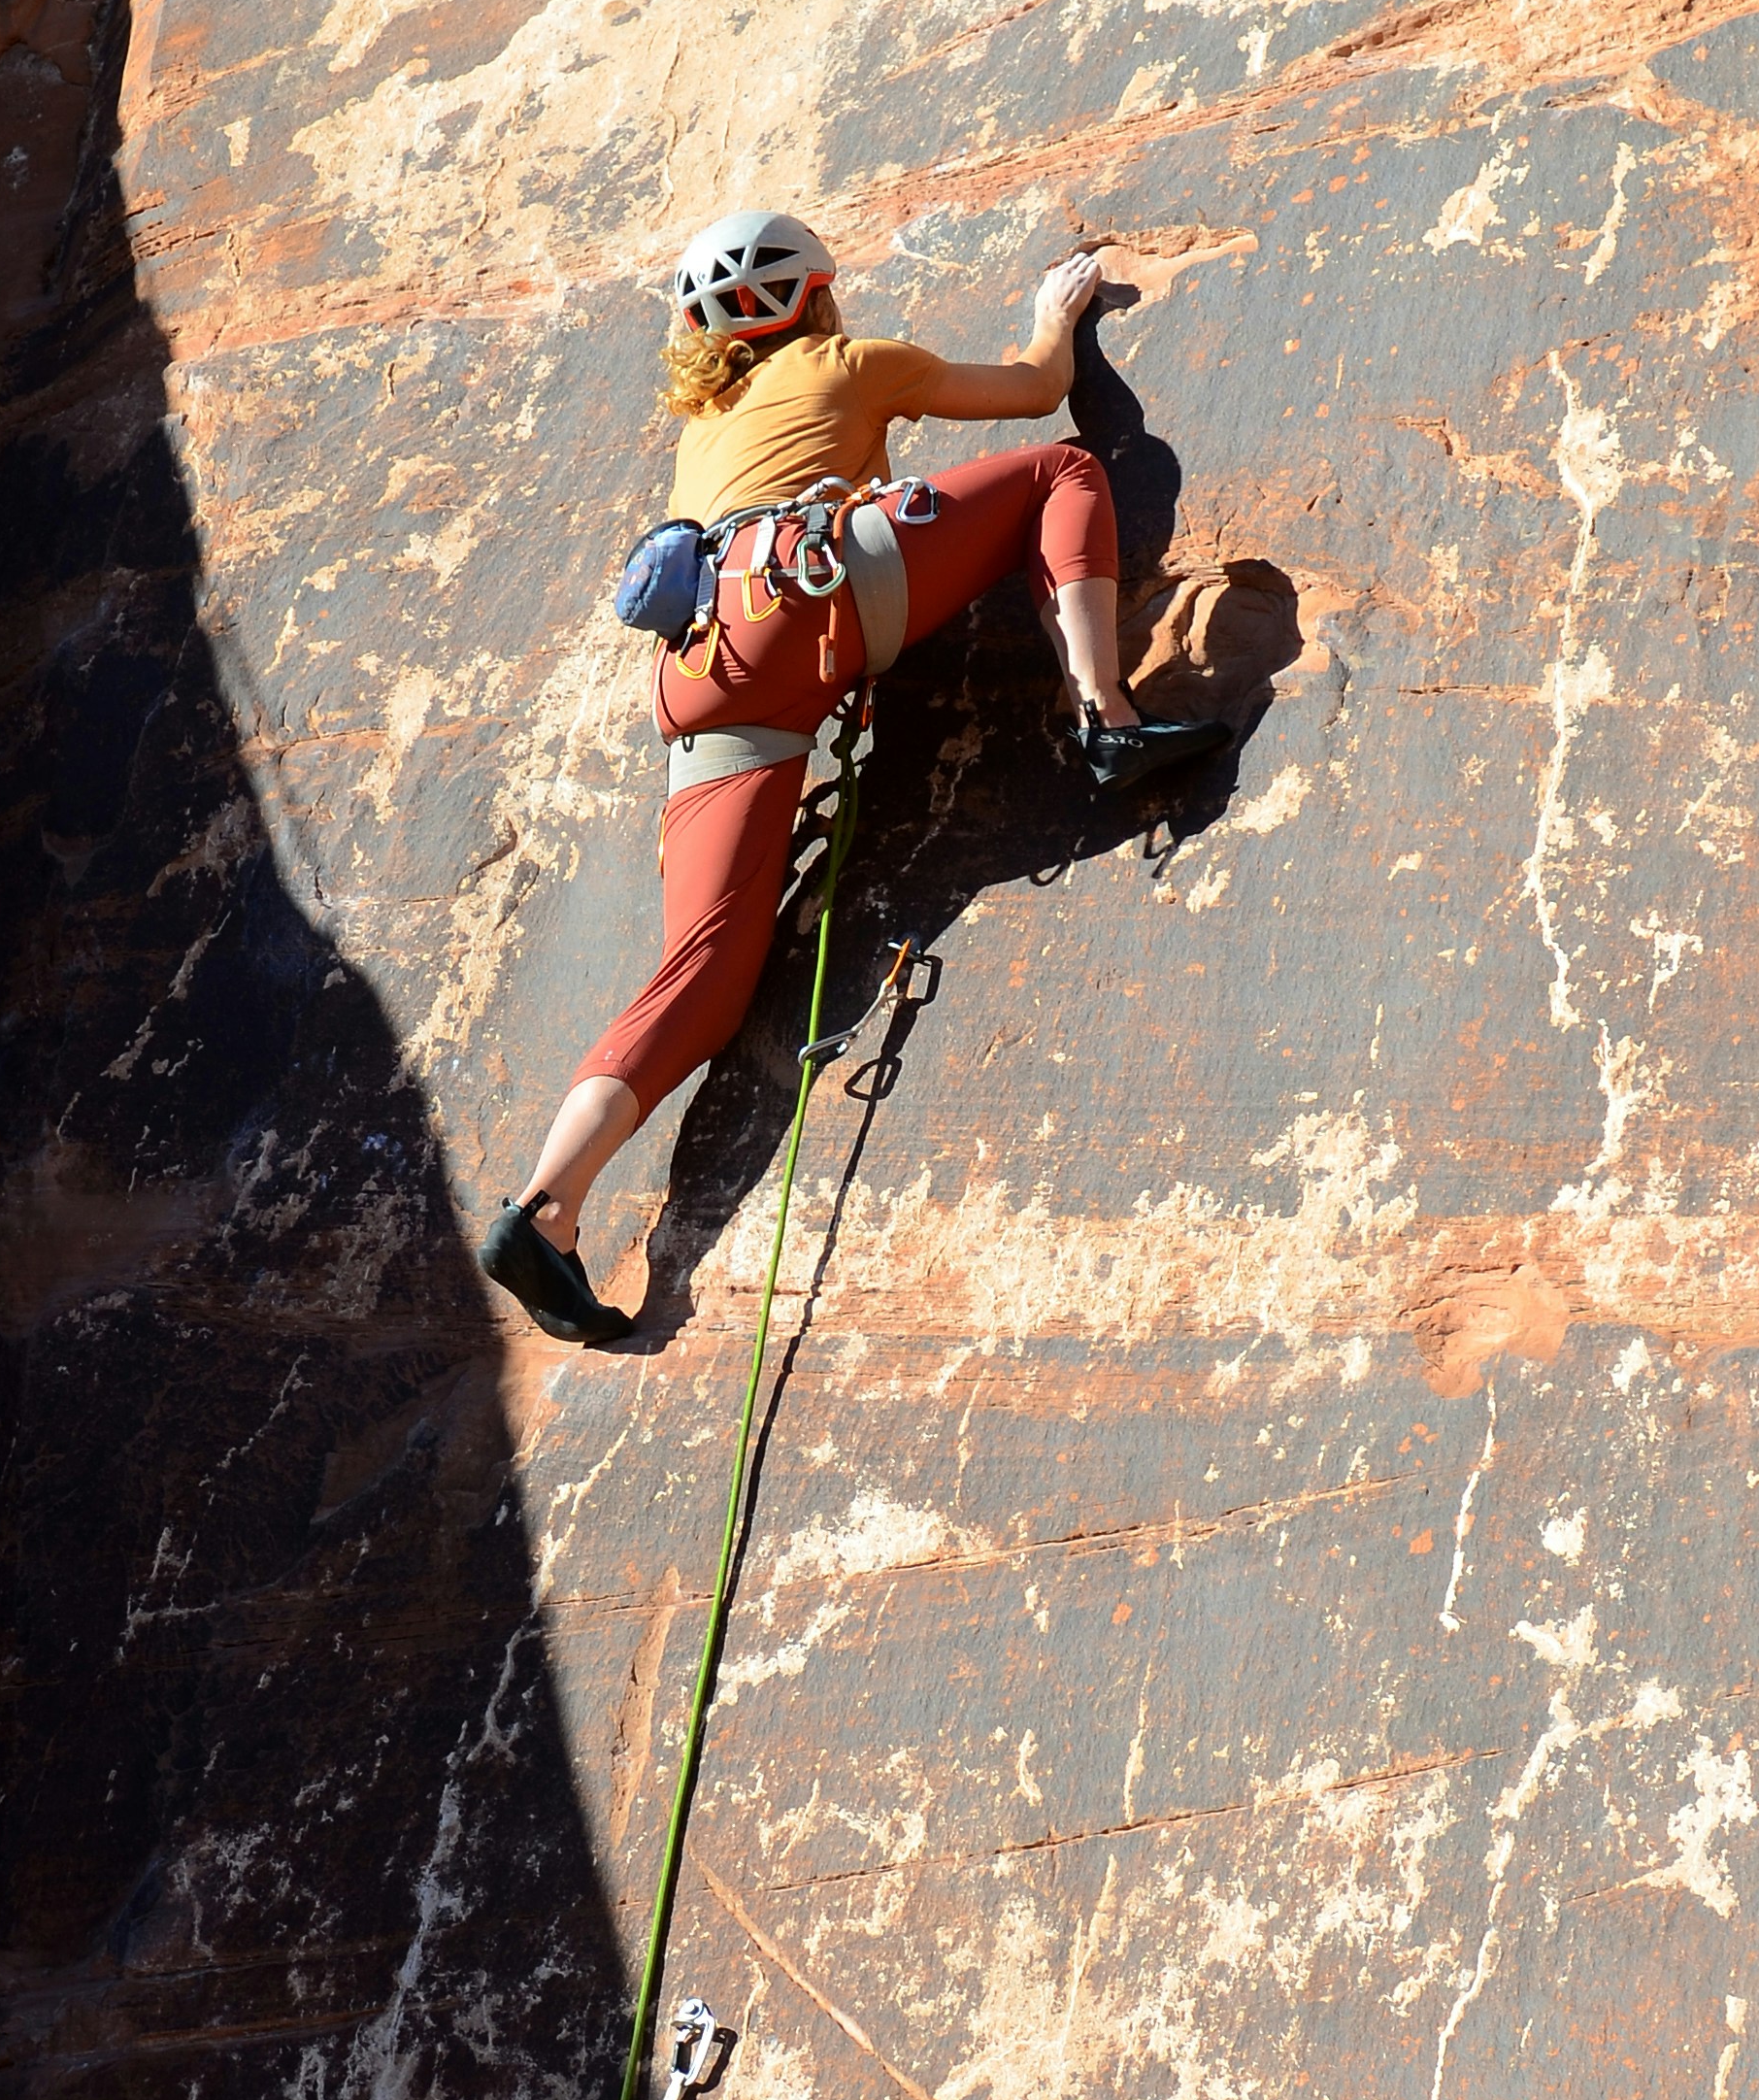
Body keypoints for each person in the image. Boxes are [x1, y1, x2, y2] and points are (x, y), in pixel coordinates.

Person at [480, 206, 1223, 1347]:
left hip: (703, 669)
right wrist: (1057, 313)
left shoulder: (709, 418)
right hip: (814, 591)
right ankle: (1108, 715)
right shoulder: (847, 359)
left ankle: (549, 1205)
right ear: (814, 295)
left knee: (707, 966)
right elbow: (1036, 391)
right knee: (1060, 471)